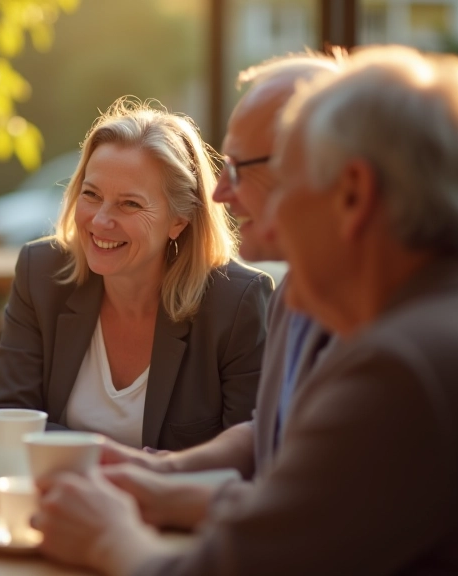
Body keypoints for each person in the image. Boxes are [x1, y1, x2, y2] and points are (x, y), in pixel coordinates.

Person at [32, 45, 458, 575]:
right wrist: (168, 494)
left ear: (354, 195)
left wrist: (109, 537)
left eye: (287, 181)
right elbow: (319, 517)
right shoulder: (437, 327)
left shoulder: (403, 367)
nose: (258, 221)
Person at [97, 54, 341, 530]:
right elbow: (269, 433)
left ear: (330, 172)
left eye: (240, 168)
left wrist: (119, 535)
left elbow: (318, 526)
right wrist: (159, 471)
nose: (218, 194)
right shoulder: (302, 292)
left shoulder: (403, 346)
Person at [0, 98, 273, 451]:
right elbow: (1, 419)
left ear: (179, 219)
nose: (100, 220)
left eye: (129, 203)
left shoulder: (236, 302)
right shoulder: (41, 273)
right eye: (91, 194)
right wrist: (114, 457)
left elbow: (254, 451)